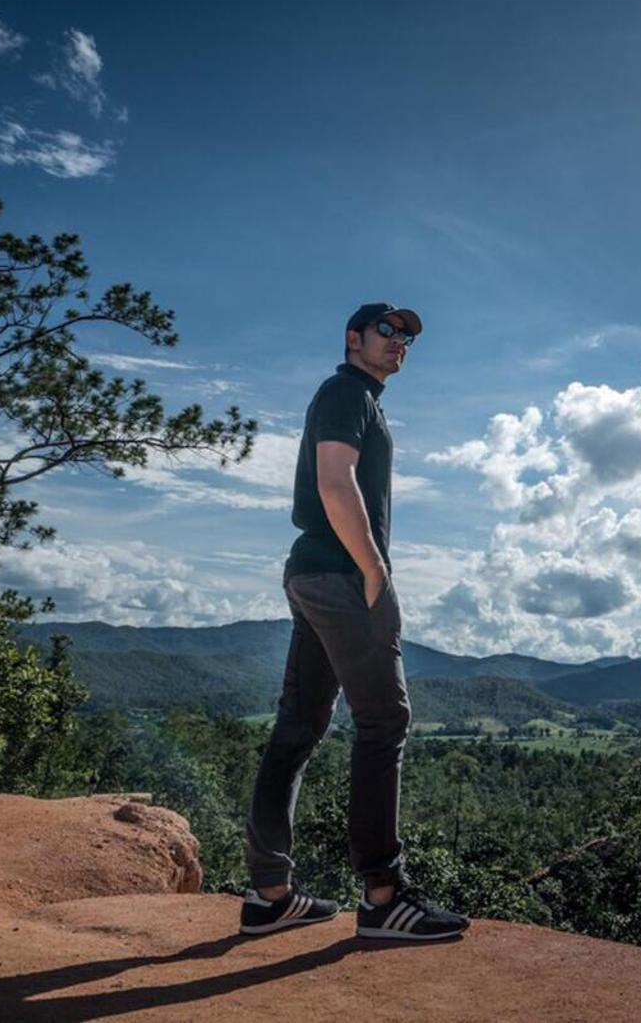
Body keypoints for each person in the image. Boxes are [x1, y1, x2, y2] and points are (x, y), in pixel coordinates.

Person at [239, 302, 471, 941]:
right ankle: (382, 897)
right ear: (354, 338)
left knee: (298, 726)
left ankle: (270, 895)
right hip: (342, 576)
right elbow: (336, 482)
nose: (400, 342)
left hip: (311, 572)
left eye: (407, 337)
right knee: (384, 722)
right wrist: (375, 572)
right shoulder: (346, 392)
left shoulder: (355, 397)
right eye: (387, 331)